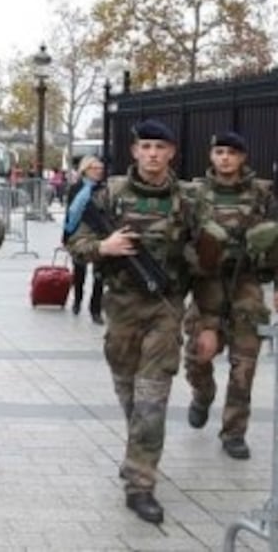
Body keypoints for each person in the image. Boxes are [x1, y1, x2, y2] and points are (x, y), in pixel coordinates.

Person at [65, 119, 194, 524]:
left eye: (161, 147)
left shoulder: (188, 199)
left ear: (171, 152)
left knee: (152, 398)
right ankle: (138, 450)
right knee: (129, 393)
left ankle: (141, 483)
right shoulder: (109, 196)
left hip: (165, 308)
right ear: (135, 151)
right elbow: (75, 241)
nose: (153, 154)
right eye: (146, 146)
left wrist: (206, 318)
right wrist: (104, 246)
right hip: (121, 309)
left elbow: (206, 261)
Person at [185, 132, 276, 461]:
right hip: (207, 284)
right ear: (211, 156)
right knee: (198, 356)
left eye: (232, 153)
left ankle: (234, 431)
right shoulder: (195, 194)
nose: (225, 158)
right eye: (219, 152)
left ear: (243, 158)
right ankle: (202, 393)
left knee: (244, 364)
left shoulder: (262, 193)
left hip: (247, 286)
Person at [63, 155, 106, 324]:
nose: (98, 172)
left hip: (100, 234)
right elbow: (71, 214)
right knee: (79, 271)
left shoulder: (104, 189)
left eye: (100, 169)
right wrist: (66, 236)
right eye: (95, 169)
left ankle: (95, 309)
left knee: (99, 275)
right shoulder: (76, 188)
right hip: (79, 234)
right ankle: (77, 301)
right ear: (85, 170)